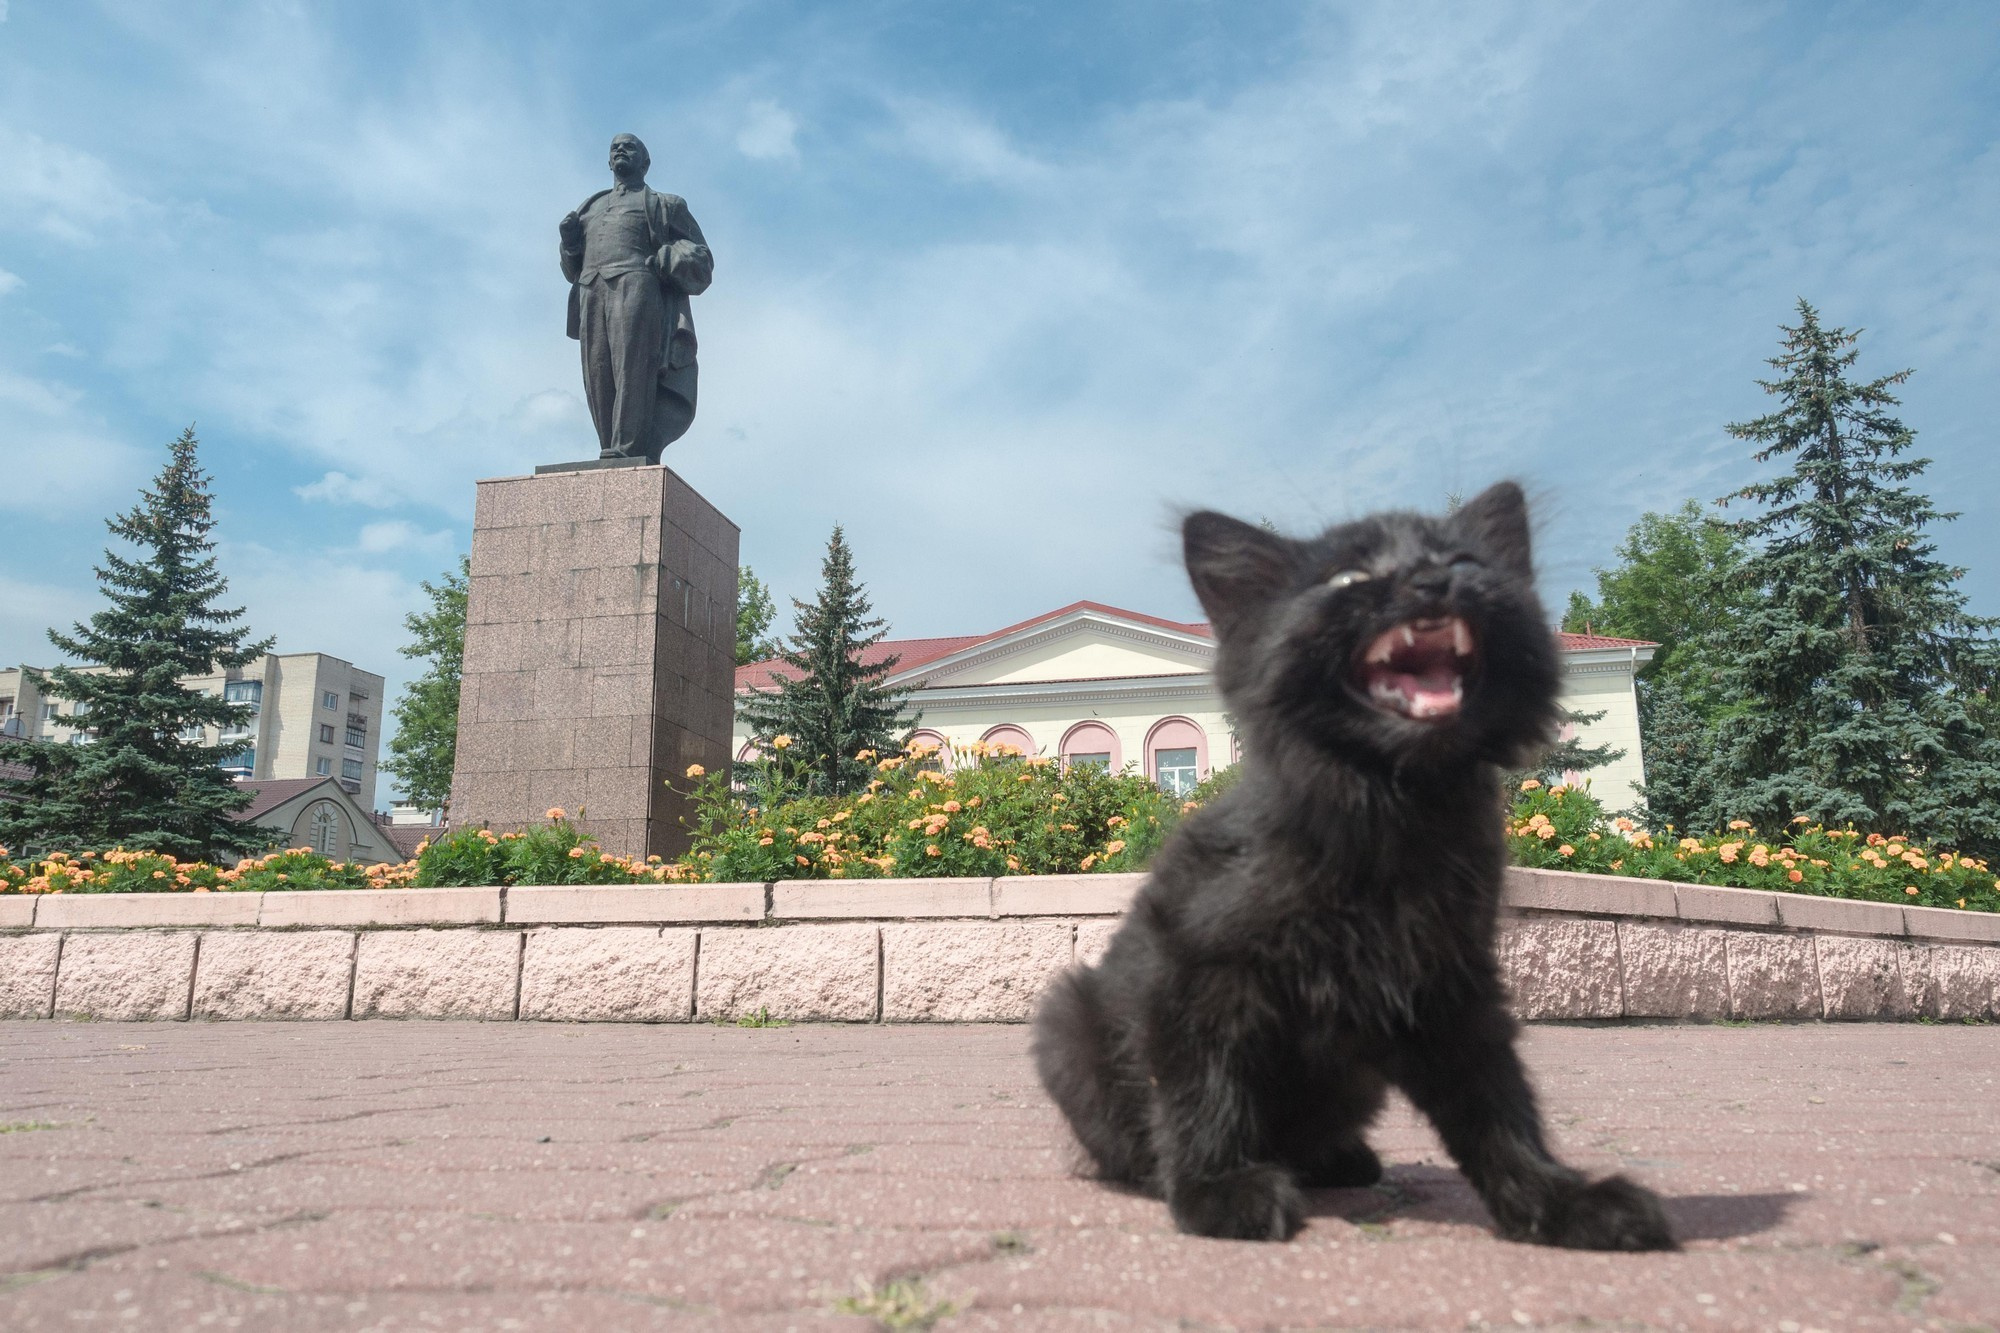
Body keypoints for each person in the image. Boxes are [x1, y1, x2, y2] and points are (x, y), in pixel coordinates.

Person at [560, 134, 713, 463]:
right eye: (614, 147)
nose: (619, 150)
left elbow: (702, 257)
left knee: (633, 369)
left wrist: (666, 258)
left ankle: (629, 448)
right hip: (590, 288)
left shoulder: (665, 204)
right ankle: (609, 446)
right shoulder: (590, 207)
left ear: (645, 163)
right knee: (597, 373)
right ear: (608, 161)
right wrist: (570, 243)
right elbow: (572, 270)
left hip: (636, 284)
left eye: (629, 147)